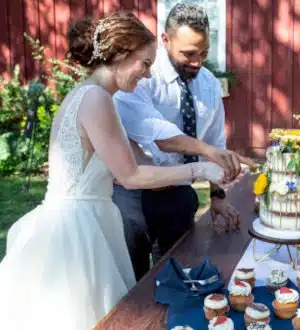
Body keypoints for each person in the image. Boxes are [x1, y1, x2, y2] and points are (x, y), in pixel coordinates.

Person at [0, 11, 226, 330]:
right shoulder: (96, 99)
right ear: (121, 55)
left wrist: (201, 177)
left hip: (82, 219)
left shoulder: (93, 96)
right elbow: (132, 176)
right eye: (145, 64)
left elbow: (135, 165)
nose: (147, 75)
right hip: (75, 233)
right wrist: (200, 169)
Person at [113, 3, 255, 281]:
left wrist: (217, 196)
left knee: (177, 277)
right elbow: (159, 135)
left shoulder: (210, 84)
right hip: (132, 198)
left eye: (203, 53)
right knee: (132, 283)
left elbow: (216, 140)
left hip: (179, 195)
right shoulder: (140, 78)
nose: (197, 62)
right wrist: (205, 150)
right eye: (188, 53)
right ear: (166, 40)